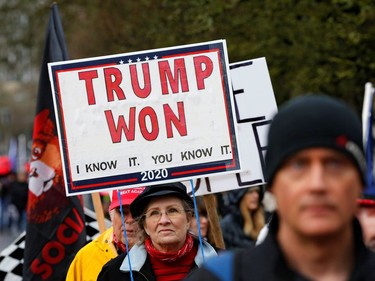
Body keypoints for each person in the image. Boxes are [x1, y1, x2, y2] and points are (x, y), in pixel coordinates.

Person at [185, 94, 375, 280]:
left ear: (360, 183)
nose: (317, 184)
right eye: (298, 165)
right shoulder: (219, 276)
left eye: (335, 165)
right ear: (272, 185)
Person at [98, 182, 217, 280]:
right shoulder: (114, 274)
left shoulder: (224, 265)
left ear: (188, 218)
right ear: (144, 225)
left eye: (172, 210)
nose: (164, 220)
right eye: (154, 213)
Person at [65, 187, 145, 281]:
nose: (130, 220)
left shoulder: (163, 254)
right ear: (111, 215)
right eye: (122, 212)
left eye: (137, 213)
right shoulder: (86, 257)